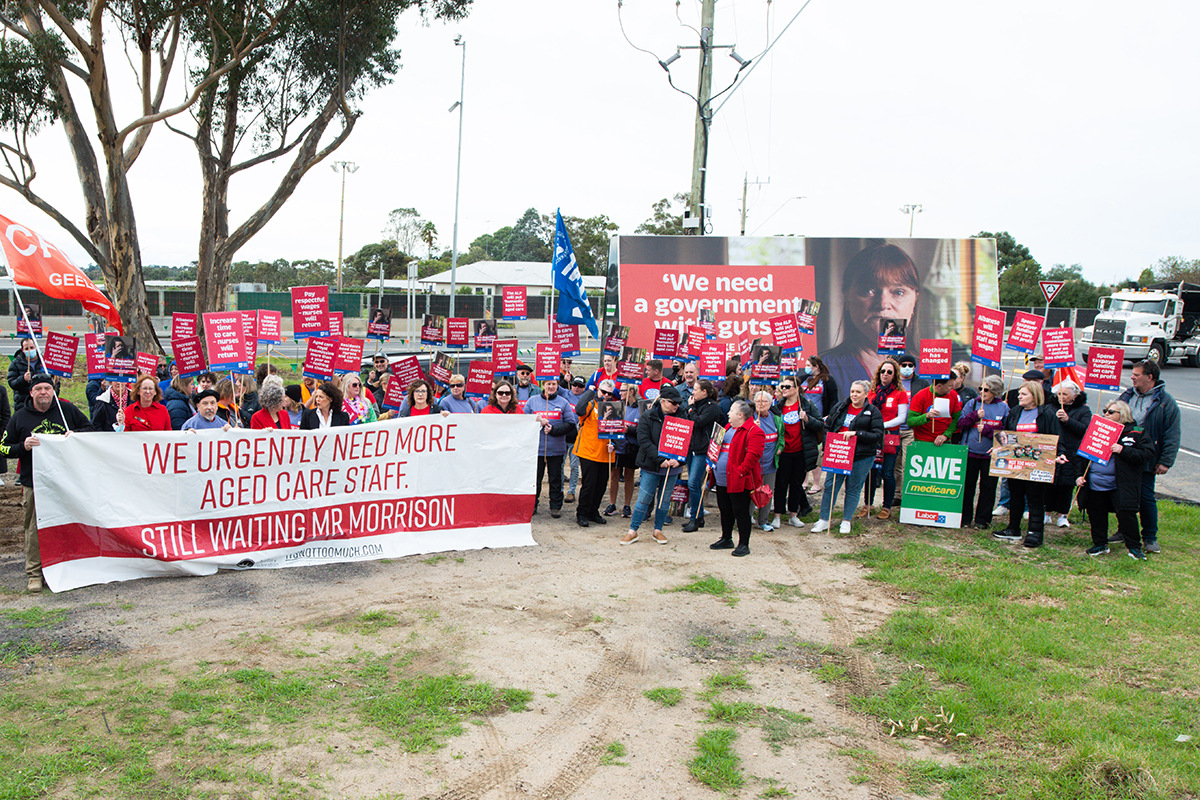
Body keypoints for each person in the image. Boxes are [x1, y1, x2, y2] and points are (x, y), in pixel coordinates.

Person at [0, 374, 92, 592]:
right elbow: (3, 447)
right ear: (31, 392)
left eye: (47, 388)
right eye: (39, 389)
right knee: (34, 528)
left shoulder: (67, 411)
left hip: (66, 481)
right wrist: (22, 446)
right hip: (34, 483)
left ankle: (69, 565)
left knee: (69, 523)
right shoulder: (20, 417)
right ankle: (34, 573)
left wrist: (74, 435)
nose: (43, 392)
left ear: (53, 390)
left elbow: (90, 430)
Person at [822, 244, 923, 394]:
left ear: (915, 301)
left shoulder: (932, 373)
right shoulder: (822, 370)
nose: (883, 304)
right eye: (868, 290)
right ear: (847, 298)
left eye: (899, 292)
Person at [1076, 401, 1155, 560]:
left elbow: (1147, 454)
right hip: (1095, 483)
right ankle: (1100, 544)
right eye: (1105, 410)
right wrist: (1079, 475)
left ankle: (1134, 548)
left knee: (1126, 514)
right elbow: (1082, 455)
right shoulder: (1097, 430)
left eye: (1111, 411)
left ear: (1123, 414)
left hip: (1121, 484)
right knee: (1096, 514)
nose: (1106, 414)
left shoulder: (1136, 432)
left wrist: (1123, 450)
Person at [1116, 359, 1180, 554]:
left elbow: (1172, 434)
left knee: (1145, 497)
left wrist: (1165, 461)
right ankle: (1124, 531)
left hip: (1146, 458)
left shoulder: (1165, 403)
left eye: (1136, 374)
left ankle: (1150, 537)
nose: (1132, 377)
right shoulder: (1126, 396)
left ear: (1149, 377)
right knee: (1123, 496)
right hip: (1124, 456)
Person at [991, 381, 1062, 548]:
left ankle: (1035, 533)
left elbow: (1055, 437)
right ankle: (1013, 529)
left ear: (1034, 396)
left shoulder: (1047, 414)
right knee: (1015, 495)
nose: (1019, 396)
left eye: (1023, 394)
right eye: (1020, 393)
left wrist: (1059, 454)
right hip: (1017, 463)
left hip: (1037, 465)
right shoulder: (1016, 412)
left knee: (1035, 498)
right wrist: (996, 447)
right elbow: (1007, 434)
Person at [812, 380, 884, 535]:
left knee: (853, 489)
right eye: (852, 391)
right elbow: (828, 427)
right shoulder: (840, 407)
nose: (854, 395)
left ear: (865, 394)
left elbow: (877, 435)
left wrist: (857, 434)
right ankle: (824, 519)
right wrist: (827, 443)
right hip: (838, 453)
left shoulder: (873, 411)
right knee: (830, 487)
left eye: (858, 392)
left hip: (861, 456)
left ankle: (846, 521)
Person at [620, 384, 687, 545]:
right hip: (651, 465)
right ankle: (633, 530)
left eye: (678, 403)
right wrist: (660, 459)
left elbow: (686, 441)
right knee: (643, 498)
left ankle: (658, 530)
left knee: (664, 500)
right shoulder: (648, 416)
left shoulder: (682, 417)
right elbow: (644, 441)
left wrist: (679, 459)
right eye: (673, 403)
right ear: (663, 401)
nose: (677, 406)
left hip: (672, 467)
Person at [710, 399, 765, 557]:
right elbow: (716, 447)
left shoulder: (754, 431)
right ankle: (726, 538)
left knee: (740, 512)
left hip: (739, 480)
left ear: (740, 415)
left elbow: (753, 456)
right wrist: (711, 462)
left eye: (731, 411)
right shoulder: (727, 428)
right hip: (721, 479)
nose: (728, 413)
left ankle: (743, 544)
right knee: (725, 509)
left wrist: (740, 472)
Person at [955, 374, 1009, 529]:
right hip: (970, 452)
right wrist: (974, 416)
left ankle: (982, 520)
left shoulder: (1003, 407)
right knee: (968, 486)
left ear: (995, 391)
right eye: (981, 389)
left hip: (990, 455)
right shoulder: (972, 404)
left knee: (988, 488)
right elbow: (961, 424)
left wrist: (987, 430)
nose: (982, 392)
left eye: (986, 390)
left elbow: (1006, 434)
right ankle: (964, 517)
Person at [771, 377, 824, 528]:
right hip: (783, 451)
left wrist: (807, 419)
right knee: (781, 484)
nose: (784, 389)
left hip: (801, 451)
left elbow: (820, 424)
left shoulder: (806, 405)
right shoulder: (778, 407)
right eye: (782, 387)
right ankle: (777, 515)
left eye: (788, 386)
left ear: (796, 388)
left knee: (796, 484)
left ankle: (793, 514)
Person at [860, 358, 908, 520]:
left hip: (889, 436)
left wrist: (881, 425)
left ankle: (887, 506)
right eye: (883, 371)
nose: (885, 375)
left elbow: (901, 418)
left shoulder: (900, 394)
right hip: (873, 437)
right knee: (870, 472)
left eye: (889, 372)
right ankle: (868, 504)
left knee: (887, 472)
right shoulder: (872, 393)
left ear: (894, 375)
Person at [524, 377, 579, 518]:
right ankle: (532, 505)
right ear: (543, 385)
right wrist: (537, 421)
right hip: (537, 449)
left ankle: (555, 506)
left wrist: (554, 429)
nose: (551, 387)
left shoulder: (563, 402)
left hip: (556, 449)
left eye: (554, 384)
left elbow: (570, 423)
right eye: (548, 384)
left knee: (555, 479)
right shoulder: (532, 401)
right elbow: (524, 421)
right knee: (535, 479)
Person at [574, 379, 619, 528]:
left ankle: (593, 511)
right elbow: (579, 410)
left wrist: (615, 444)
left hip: (606, 453)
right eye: (603, 391)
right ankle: (582, 513)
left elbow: (617, 431)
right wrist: (589, 392)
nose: (605, 395)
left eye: (609, 393)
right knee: (589, 484)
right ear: (598, 390)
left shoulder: (615, 408)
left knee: (601, 485)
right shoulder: (590, 404)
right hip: (588, 451)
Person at [1048, 380, 1091, 528]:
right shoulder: (1050, 407)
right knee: (1049, 482)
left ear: (1075, 395)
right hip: (1053, 449)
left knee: (1066, 485)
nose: (1062, 397)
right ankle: (1046, 513)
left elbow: (1085, 430)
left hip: (1072, 451)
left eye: (1065, 394)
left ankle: (1063, 515)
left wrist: (1068, 420)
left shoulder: (1083, 410)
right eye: (1059, 394)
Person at [681, 379, 721, 533]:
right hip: (692, 448)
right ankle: (699, 516)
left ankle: (694, 518)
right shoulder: (695, 405)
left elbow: (697, 422)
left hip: (703, 450)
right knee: (695, 484)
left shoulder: (712, 407)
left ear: (704, 392)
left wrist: (691, 409)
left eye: (696, 389)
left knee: (693, 483)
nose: (693, 392)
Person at [892, 353, 929, 506]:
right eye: (903, 365)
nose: (907, 368)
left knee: (909, 464)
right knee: (896, 464)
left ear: (914, 367)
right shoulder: (893, 383)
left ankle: (909, 494)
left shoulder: (922, 383)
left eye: (910, 365)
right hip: (894, 430)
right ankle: (897, 494)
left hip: (911, 430)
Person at [800, 355, 838, 493]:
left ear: (816, 366)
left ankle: (816, 483)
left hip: (819, 420)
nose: (806, 367)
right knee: (804, 451)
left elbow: (834, 400)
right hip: (804, 419)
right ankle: (804, 481)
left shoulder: (827, 380)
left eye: (809, 365)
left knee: (816, 452)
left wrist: (829, 416)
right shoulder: (803, 379)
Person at [604, 383, 641, 518]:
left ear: (631, 392)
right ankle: (612, 504)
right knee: (614, 475)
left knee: (629, 476)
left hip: (632, 446)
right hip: (617, 446)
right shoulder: (617, 406)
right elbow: (608, 426)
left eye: (623, 391)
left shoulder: (640, 407)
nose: (620, 393)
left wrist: (629, 430)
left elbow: (643, 429)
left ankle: (627, 505)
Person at [752, 390, 784, 531]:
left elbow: (782, 436)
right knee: (751, 492)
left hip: (770, 463)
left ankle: (763, 520)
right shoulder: (750, 417)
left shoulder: (776, 418)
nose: (761, 404)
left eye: (764, 401)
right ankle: (746, 518)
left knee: (767, 492)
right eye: (758, 401)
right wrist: (753, 427)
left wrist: (780, 447)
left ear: (771, 404)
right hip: (754, 464)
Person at [907, 378, 962, 445]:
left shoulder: (953, 395)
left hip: (944, 442)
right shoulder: (920, 396)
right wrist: (926, 416)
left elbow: (957, 418)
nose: (952, 388)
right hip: (922, 441)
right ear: (939, 386)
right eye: (950, 386)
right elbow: (910, 421)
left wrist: (946, 435)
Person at [564, 376, 587, 502]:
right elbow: (552, 384)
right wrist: (565, 379)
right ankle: (560, 489)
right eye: (574, 385)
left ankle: (571, 491)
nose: (576, 388)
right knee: (560, 465)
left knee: (574, 465)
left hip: (577, 438)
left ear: (584, 388)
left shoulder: (585, 399)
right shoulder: (565, 393)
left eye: (580, 386)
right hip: (562, 436)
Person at [8, 338, 42, 411]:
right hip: (23, 404)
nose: (30, 350)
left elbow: (55, 385)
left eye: (32, 347)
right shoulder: (16, 363)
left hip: (42, 404)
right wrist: (23, 379)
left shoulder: (44, 362)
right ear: (22, 350)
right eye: (26, 348)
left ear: (36, 347)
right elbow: (12, 383)